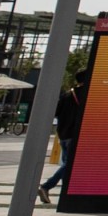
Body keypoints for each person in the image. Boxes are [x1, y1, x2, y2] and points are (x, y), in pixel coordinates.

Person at [34, 70, 88, 207]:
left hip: (63, 134)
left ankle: (66, 197)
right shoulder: (85, 94)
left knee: (66, 164)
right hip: (75, 133)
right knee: (69, 164)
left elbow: (56, 112)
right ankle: (46, 186)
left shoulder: (67, 93)